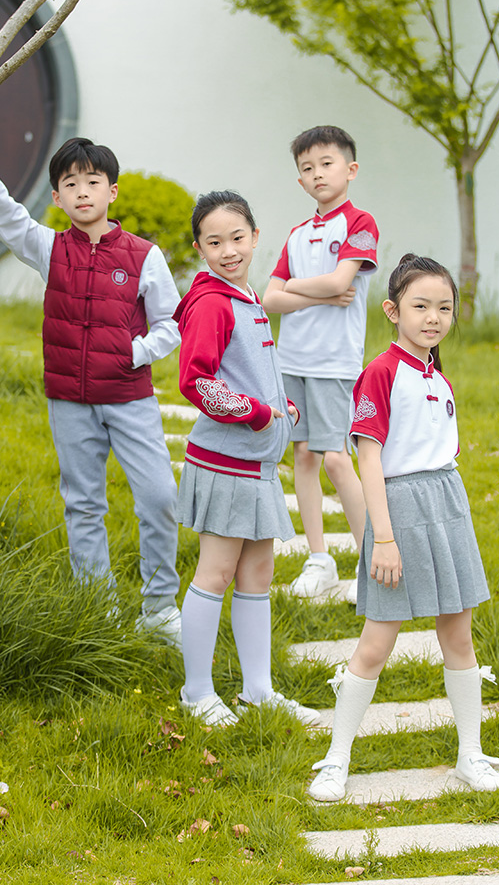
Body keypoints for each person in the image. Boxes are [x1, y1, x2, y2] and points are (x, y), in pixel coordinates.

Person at [0, 97, 182, 646]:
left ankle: (159, 607)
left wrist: (135, 353)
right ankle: (98, 608)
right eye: (71, 184)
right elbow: (5, 211)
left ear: (112, 192)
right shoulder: (49, 249)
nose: (82, 192)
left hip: (129, 398)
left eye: (93, 182)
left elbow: (172, 323)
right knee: (83, 504)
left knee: (159, 498)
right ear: (56, 197)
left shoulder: (144, 256)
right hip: (69, 400)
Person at [307, 254, 499, 801]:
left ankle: (470, 755)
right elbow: (369, 459)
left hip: (448, 505)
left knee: (458, 634)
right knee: (376, 642)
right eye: (420, 306)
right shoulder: (381, 372)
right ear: (393, 311)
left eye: (444, 307)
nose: (433, 317)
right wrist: (384, 538)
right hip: (398, 512)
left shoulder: (438, 377)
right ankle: (335, 759)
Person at [173, 190, 320, 728]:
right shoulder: (212, 301)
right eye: (214, 242)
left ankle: (258, 691)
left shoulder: (245, 295)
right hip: (225, 462)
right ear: (200, 248)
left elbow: (245, 369)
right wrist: (257, 413)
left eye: (237, 238)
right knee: (215, 573)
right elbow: (196, 381)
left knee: (257, 574)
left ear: (256, 237)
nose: (229, 250)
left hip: (256, 466)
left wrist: (280, 407)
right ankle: (196, 693)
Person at [263, 125, 378, 601]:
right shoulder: (296, 235)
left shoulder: (360, 223)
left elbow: (340, 282)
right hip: (292, 360)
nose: (317, 174)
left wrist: (297, 288)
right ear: (300, 180)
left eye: (326, 164)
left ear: (350, 169)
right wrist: (318, 294)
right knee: (304, 457)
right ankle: (319, 559)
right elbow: (269, 299)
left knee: (335, 458)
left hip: (335, 363)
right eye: (307, 168)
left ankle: (374, 559)